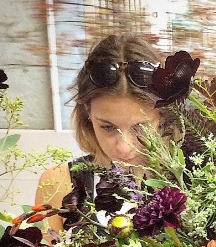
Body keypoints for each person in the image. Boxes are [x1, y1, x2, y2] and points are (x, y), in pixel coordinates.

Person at [35, 34, 169, 234]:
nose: (124, 147)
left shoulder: (200, 179)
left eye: (140, 128)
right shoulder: (58, 184)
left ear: (163, 117)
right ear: (87, 113)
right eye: (108, 127)